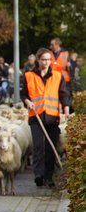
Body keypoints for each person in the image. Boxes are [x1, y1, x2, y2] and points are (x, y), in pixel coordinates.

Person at [21, 48, 71, 188]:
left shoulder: (57, 76)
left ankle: (49, 177)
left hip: (52, 116)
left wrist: (66, 108)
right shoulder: (29, 76)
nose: (46, 62)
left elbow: (63, 94)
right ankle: (38, 175)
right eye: (44, 59)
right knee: (38, 147)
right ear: (38, 60)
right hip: (36, 116)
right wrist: (27, 102)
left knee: (50, 147)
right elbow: (23, 94)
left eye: (49, 59)